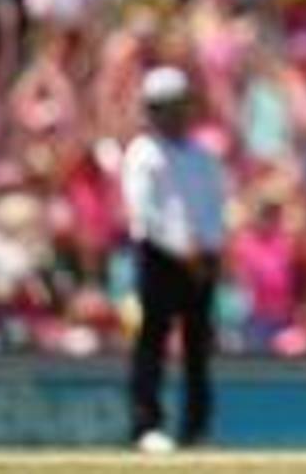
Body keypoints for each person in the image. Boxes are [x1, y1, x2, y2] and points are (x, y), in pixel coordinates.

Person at [121, 66, 226, 453]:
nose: (174, 114)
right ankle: (146, 425)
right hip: (160, 258)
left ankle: (196, 428)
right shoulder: (142, 152)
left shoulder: (203, 154)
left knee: (198, 346)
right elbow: (144, 214)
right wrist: (186, 249)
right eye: (164, 107)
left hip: (201, 260)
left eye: (178, 106)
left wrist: (208, 248)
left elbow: (215, 207)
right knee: (153, 341)